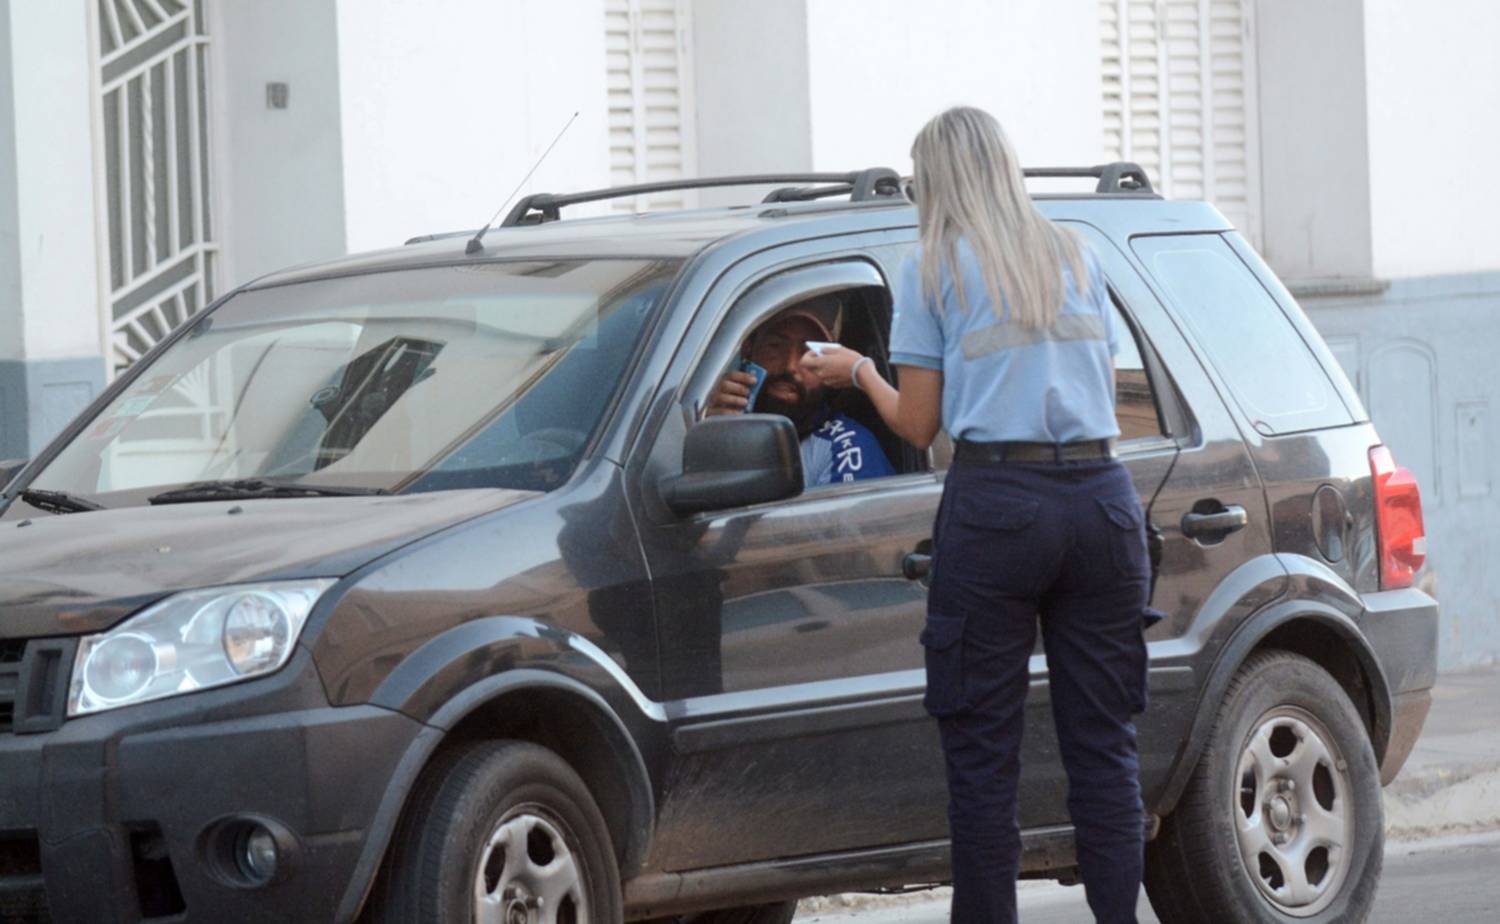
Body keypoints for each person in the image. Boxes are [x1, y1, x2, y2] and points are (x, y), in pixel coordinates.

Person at [801, 107, 1151, 924]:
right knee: (1106, 751)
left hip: (999, 507)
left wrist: (858, 371)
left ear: (938, 182)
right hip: (1102, 500)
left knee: (984, 762)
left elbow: (919, 424)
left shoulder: (931, 268)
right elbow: (1108, 392)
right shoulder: (1078, 252)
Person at [706, 302, 895, 488]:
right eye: (775, 346)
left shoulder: (846, 447)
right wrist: (709, 435)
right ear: (748, 348)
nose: (790, 366)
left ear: (831, 367)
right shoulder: (716, 419)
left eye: (809, 352)